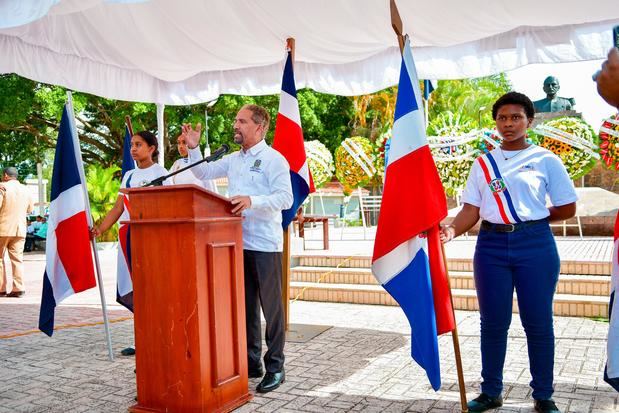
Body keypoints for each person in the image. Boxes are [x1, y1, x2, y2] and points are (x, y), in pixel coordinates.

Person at [441, 92, 577, 413]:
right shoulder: (483, 164)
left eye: (516, 117)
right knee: (492, 323)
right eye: (503, 118)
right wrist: (449, 229)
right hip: (490, 247)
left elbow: (568, 206)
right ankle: (491, 392)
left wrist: (530, 219)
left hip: (536, 246)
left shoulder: (546, 159)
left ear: (529, 121)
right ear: (496, 123)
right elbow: (470, 210)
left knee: (538, 323)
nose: (509, 123)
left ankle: (543, 395)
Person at [184, 104, 293, 393]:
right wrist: (194, 149)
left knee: (272, 310)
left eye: (242, 121)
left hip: (265, 245)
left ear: (260, 127)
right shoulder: (233, 159)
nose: (236, 125)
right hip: (236, 244)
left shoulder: (274, 160)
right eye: (235, 120)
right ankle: (251, 361)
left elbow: (285, 197)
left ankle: (276, 366)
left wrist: (251, 200)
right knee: (245, 308)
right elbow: (204, 173)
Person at [90, 131, 167, 356]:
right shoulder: (129, 176)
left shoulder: (161, 173)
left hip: (152, 238)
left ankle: (158, 337)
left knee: (152, 289)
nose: (133, 149)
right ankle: (141, 338)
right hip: (130, 237)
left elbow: (168, 203)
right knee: (136, 288)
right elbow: (118, 208)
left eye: (139, 144)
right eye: (132, 145)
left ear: (152, 148)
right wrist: (100, 229)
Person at [0, 167, 34, 297]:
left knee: (0, 259)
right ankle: (19, 288)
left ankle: (1, 288)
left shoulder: (2, 187)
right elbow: (30, 209)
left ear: (5, 175)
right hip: (20, 229)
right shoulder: (26, 189)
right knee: (17, 259)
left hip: (2, 228)